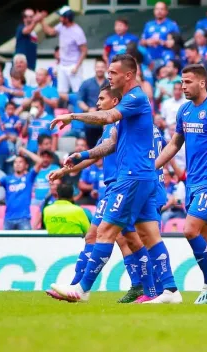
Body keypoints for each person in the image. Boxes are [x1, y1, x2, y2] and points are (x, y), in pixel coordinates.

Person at [49, 54, 181, 304]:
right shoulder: (131, 105)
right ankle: (170, 290)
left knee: (106, 231)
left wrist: (73, 116)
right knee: (148, 235)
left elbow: (108, 117)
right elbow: (110, 144)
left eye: (113, 73)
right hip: (139, 177)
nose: (108, 76)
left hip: (131, 177)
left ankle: (82, 289)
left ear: (128, 75)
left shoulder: (135, 98)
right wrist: (82, 155)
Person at [156, 64, 207, 304]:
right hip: (192, 181)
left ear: (202, 83)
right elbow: (174, 144)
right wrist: (154, 166)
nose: (183, 86)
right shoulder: (184, 110)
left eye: (188, 82)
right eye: (182, 82)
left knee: (189, 230)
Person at [41, 5, 88, 99]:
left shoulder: (77, 31)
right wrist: (41, 20)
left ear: (67, 18)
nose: (60, 18)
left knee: (77, 92)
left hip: (73, 66)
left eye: (61, 16)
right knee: (61, 92)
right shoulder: (61, 26)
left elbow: (84, 51)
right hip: (62, 65)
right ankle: (63, 112)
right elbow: (50, 32)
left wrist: (76, 66)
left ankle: (77, 112)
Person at [0, 153, 42, 230]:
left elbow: (40, 161)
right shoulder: (7, 179)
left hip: (24, 218)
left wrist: (23, 150)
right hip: (8, 219)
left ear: (26, 165)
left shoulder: (29, 177)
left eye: (20, 162)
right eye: (15, 162)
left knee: (26, 242)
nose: (17, 164)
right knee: (6, 242)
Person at [78, 58, 108, 149]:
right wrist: (88, 109)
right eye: (98, 67)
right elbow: (79, 101)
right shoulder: (86, 83)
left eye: (102, 67)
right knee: (91, 148)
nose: (100, 69)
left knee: (105, 147)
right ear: (94, 68)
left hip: (106, 121)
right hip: (90, 122)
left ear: (106, 68)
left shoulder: (110, 84)